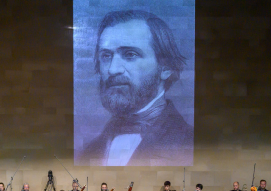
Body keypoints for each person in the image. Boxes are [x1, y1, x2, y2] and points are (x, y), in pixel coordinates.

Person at [77, 9, 192, 166]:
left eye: (130, 54)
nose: (112, 69)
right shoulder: (89, 152)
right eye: (106, 56)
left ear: (166, 68)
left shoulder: (190, 143)